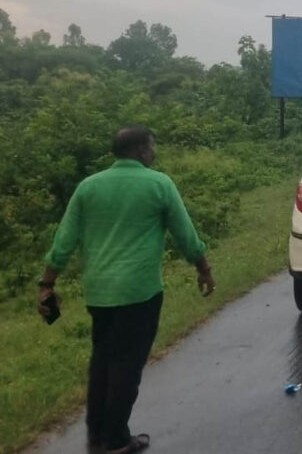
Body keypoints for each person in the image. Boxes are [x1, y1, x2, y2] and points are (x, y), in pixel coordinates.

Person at [36, 125, 215, 454]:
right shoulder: (159, 184)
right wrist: (203, 268)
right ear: (141, 151)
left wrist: (47, 284)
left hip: (99, 293)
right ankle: (116, 440)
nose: (154, 152)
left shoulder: (88, 187)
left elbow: (64, 240)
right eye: (152, 147)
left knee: (102, 360)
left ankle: (96, 435)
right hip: (140, 293)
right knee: (126, 366)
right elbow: (186, 235)